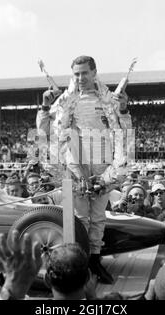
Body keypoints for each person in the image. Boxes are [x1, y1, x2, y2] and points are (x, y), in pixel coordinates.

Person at [36, 55, 132, 283]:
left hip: (103, 164)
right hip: (76, 165)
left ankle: (95, 261)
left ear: (94, 72)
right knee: (80, 217)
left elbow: (124, 129)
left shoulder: (109, 98)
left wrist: (125, 109)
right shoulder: (65, 99)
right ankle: (79, 264)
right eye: (76, 74)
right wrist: (43, 106)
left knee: (98, 216)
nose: (80, 78)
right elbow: (46, 128)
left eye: (84, 73)